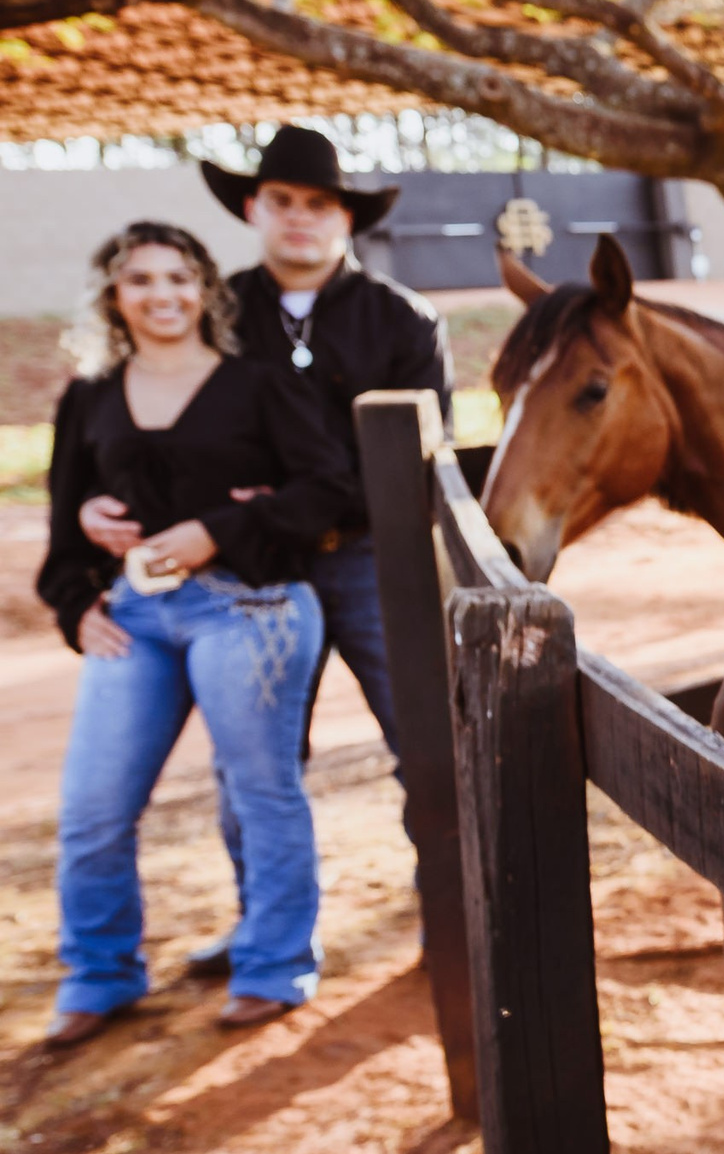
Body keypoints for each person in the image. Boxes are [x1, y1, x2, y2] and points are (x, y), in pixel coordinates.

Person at [78, 125, 450, 978]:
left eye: (319, 203)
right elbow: (163, 434)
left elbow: (422, 459)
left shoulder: (402, 320)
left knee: (425, 740)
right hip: (250, 572)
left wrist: (286, 501)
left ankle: (451, 912)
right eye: (282, 200)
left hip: (373, 560)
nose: (299, 217)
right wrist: (101, 508)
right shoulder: (219, 315)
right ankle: (265, 929)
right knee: (250, 761)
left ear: (346, 217)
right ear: (253, 207)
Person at [37, 223, 356, 1050]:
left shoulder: (260, 385)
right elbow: (65, 528)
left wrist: (219, 528)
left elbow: (329, 489)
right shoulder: (90, 397)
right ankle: (100, 972)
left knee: (259, 791)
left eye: (179, 277)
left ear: (205, 291)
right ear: (115, 297)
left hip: (251, 607)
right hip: (135, 618)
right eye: (141, 280)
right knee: (94, 808)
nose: (163, 295)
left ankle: (274, 962)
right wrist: (76, 602)